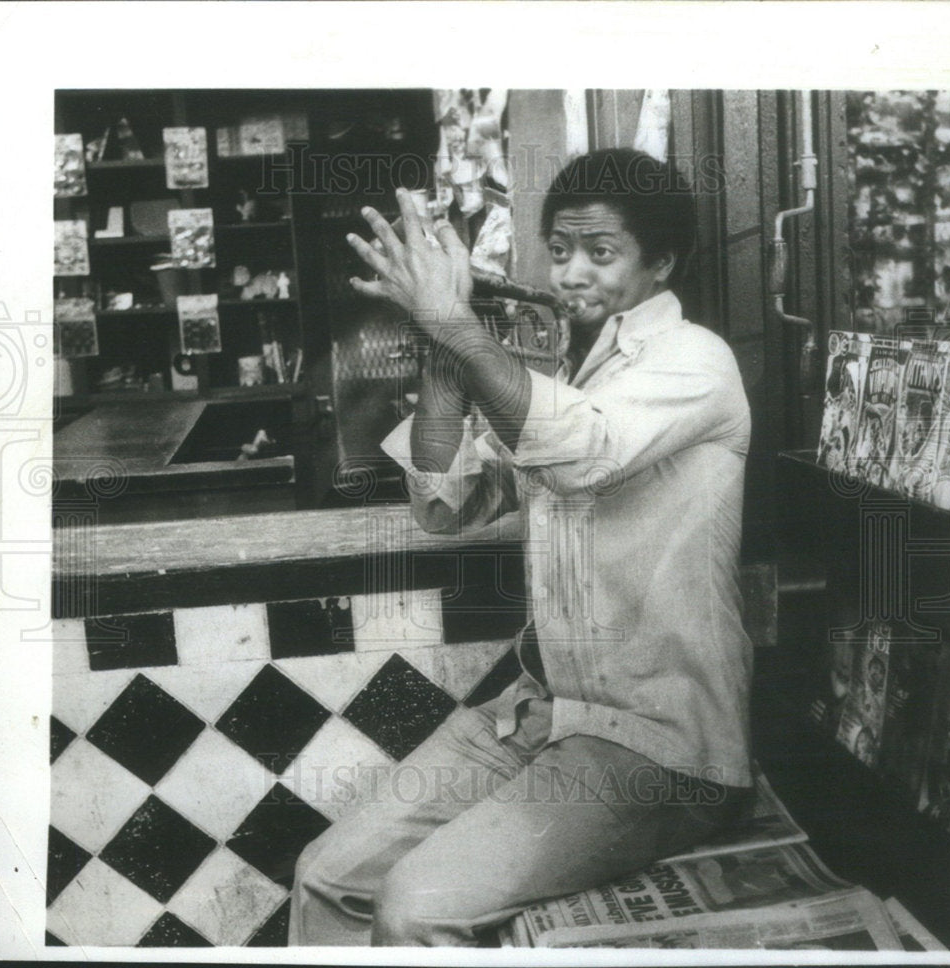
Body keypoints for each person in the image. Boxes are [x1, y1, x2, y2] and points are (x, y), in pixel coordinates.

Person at [289, 149, 754, 947]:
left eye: (601, 254)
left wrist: (457, 325)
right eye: (561, 250)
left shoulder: (697, 361)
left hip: (663, 745)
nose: (572, 274)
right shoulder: (568, 368)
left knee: (415, 909)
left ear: (662, 263)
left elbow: (576, 452)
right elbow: (448, 504)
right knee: (327, 878)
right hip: (544, 715)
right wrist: (443, 355)